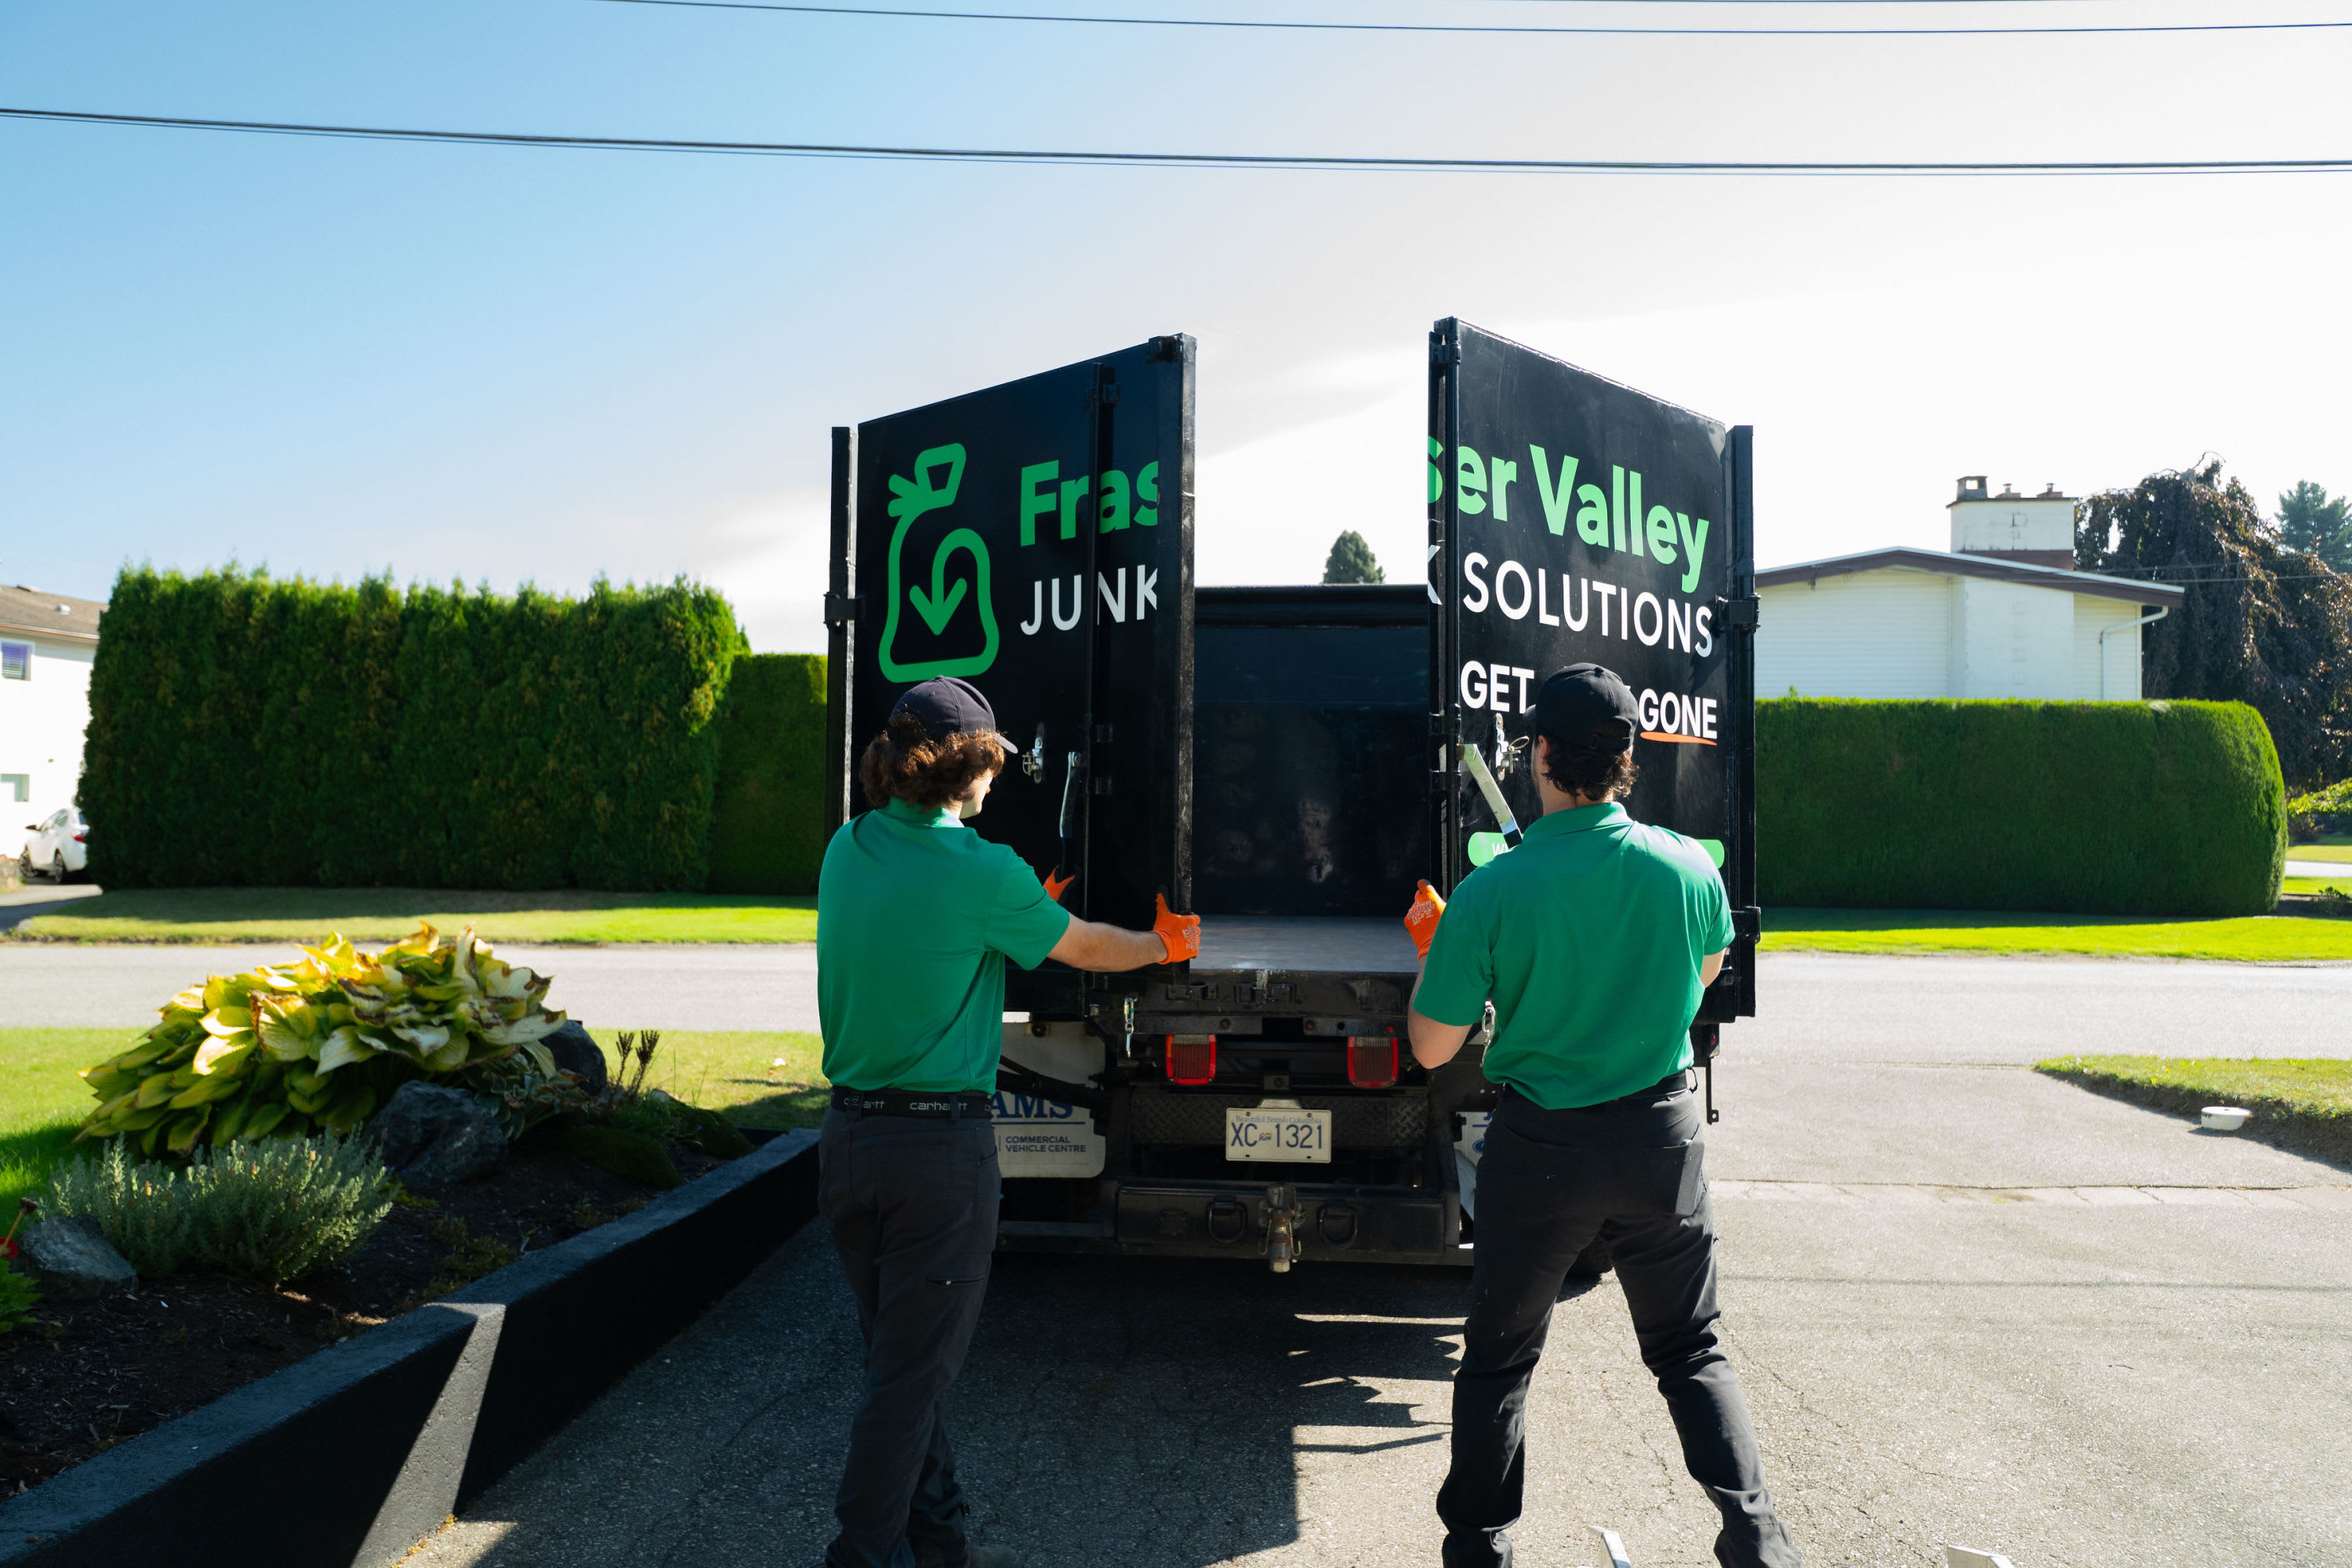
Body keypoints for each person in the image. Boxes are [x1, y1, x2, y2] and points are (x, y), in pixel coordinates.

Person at [1403, 662, 1802, 1568]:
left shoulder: (1493, 891)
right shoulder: (1688, 866)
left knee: (1500, 1360)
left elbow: (1432, 1045)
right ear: (1629, 756)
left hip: (1542, 1150)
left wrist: (1442, 952)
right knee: (1690, 1349)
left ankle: (1478, 1549)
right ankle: (1760, 1541)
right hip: (1663, 1140)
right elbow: (1697, 982)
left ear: (1540, 753)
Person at [815, 675, 1200, 1568]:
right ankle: (859, 1554)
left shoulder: (849, 847)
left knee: (899, 1365)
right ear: (968, 767)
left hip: (849, 1146)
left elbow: (942, 925)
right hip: (936, 1159)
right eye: (993, 764)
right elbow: (1086, 947)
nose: (998, 780)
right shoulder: (984, 870)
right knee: (908, 1380)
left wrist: (1029, 904)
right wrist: (1161, 944)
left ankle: (940, 1539)